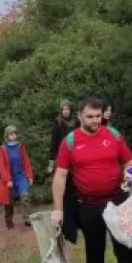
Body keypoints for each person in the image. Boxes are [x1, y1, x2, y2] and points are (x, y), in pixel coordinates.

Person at [51, 97, 132, 263]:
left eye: (98, 116)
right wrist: (58, 209)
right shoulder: (69, 142)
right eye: (90, 117)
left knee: (125, 248)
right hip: (89, 206)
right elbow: (60, 176)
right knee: (94, 251)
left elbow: (130, 162)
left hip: (118, 201)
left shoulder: (113, 135)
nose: (95, 121)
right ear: (79, 116)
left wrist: (131, 177)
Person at [49, 100, 81, 244]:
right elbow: (54, 142)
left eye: (68, 108)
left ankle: (76, 222)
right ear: (61, 110)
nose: (66, 111)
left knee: (75, 191)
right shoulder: (58, 122)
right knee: (64, 192)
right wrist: (52, 161)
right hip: (62, 160)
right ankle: (65, 224)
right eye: (64, 109)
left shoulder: (75, 122)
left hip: (76, 159)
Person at [0, 125, 34, 229]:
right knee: (9, 202)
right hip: (9, 178)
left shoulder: (20, 147)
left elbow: (26, 162)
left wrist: (29, 176)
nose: (13, 136)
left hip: (21, 176)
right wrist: (7, 180)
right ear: (7, 135)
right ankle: (8, 221)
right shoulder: (2, 149)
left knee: (25, 196)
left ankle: (28, 219)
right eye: (11, 134)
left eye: (15, 133)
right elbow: (1, 166)